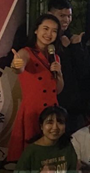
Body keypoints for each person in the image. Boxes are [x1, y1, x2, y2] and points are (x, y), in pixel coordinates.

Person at [8, 14, 64, 161]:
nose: (49, 34)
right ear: (36, 30)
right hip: (33, 111)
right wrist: (17, 65)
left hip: (52, 110)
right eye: (45, 28)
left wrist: (58, 73)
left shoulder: (55, 57)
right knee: (31, 156)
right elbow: (18, 68)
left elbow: (58, 90)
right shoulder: (26, 52)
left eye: (54, 31)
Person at [48, 0, 90, 132]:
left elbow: (84, 72)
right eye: (62, 15)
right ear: (50, 14)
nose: (66, 19)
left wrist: (75, 47)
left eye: (69, 16)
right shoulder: (44, 40)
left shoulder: (73, 39)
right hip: (49, 99)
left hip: (72, 104)